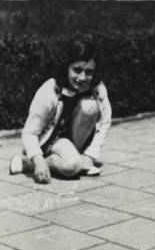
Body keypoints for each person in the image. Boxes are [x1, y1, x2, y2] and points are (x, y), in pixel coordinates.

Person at [9, 37, 112, 183]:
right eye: (77, 70)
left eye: (89, 72)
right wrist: (38, 160)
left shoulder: (97, 88)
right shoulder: (50, 90)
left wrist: (90, 154)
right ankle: (36, 162)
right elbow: (29, 132)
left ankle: (74, 158)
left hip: (75, 141)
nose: (83, 77)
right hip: (50, 142)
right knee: (71, 167)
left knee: (89, 105)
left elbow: (105, 121)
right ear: (66, 68)